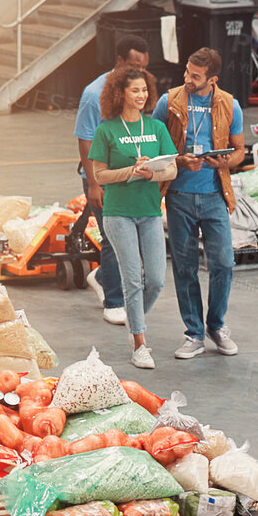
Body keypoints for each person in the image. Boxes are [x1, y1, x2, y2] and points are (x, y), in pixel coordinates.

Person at [152, 47, 245, 360]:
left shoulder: (229, 104)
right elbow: (154, 144)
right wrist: (180, 160)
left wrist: (224, 162)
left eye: (195, 76)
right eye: (187, 72)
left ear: (212, 79)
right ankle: (193, 333)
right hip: (178, 196)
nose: (187, 79)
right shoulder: (169, 101)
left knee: (223, 263)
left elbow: (240, 150)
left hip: (215, 195)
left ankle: (215, 326)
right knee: (185, 266)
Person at [86, 66, 175, 369]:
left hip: (149, 211)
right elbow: (99, 174)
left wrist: (152, 173)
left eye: (144, 90)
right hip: (119, 213)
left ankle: (133, 318)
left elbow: (172, 169)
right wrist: (130, 172)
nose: (141, 95)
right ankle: (139, 343)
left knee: (156, 279)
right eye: (135, 90)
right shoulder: (106, 130)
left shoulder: (156, 128)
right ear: (120, 93)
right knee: (132, 278)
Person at [76, 35, 151, 325]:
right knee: (113, 238)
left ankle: (102, 275)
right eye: (134, 65)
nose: (140, 72)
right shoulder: (94, 94)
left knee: (133, 236)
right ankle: (114, 301)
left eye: (144, 67)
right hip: (103, 178)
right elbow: (84, 141)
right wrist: (94, 183)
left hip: (130, 177)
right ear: (119, 62)